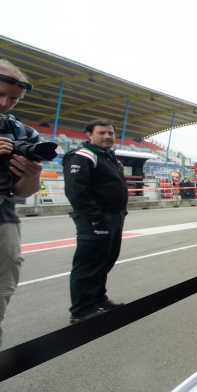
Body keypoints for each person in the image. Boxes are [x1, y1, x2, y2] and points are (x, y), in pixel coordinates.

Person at [0, 58, 44, 355]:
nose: (3, 103)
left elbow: (22, 192)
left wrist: (32, 176)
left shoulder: (21, 133)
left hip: (0, 222)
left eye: (13, 99)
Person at [63, 119, 130, 324]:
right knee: (88, 264)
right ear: (89, 135)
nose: (107, 136)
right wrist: (94, 217)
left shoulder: (109, 156)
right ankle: (82, 309)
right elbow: (76, 189)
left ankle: (98, 299)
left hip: (114, 217)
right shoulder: (83, 156)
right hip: (96, 219)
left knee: (105, 260)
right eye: (102, 133)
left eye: (110, 133)